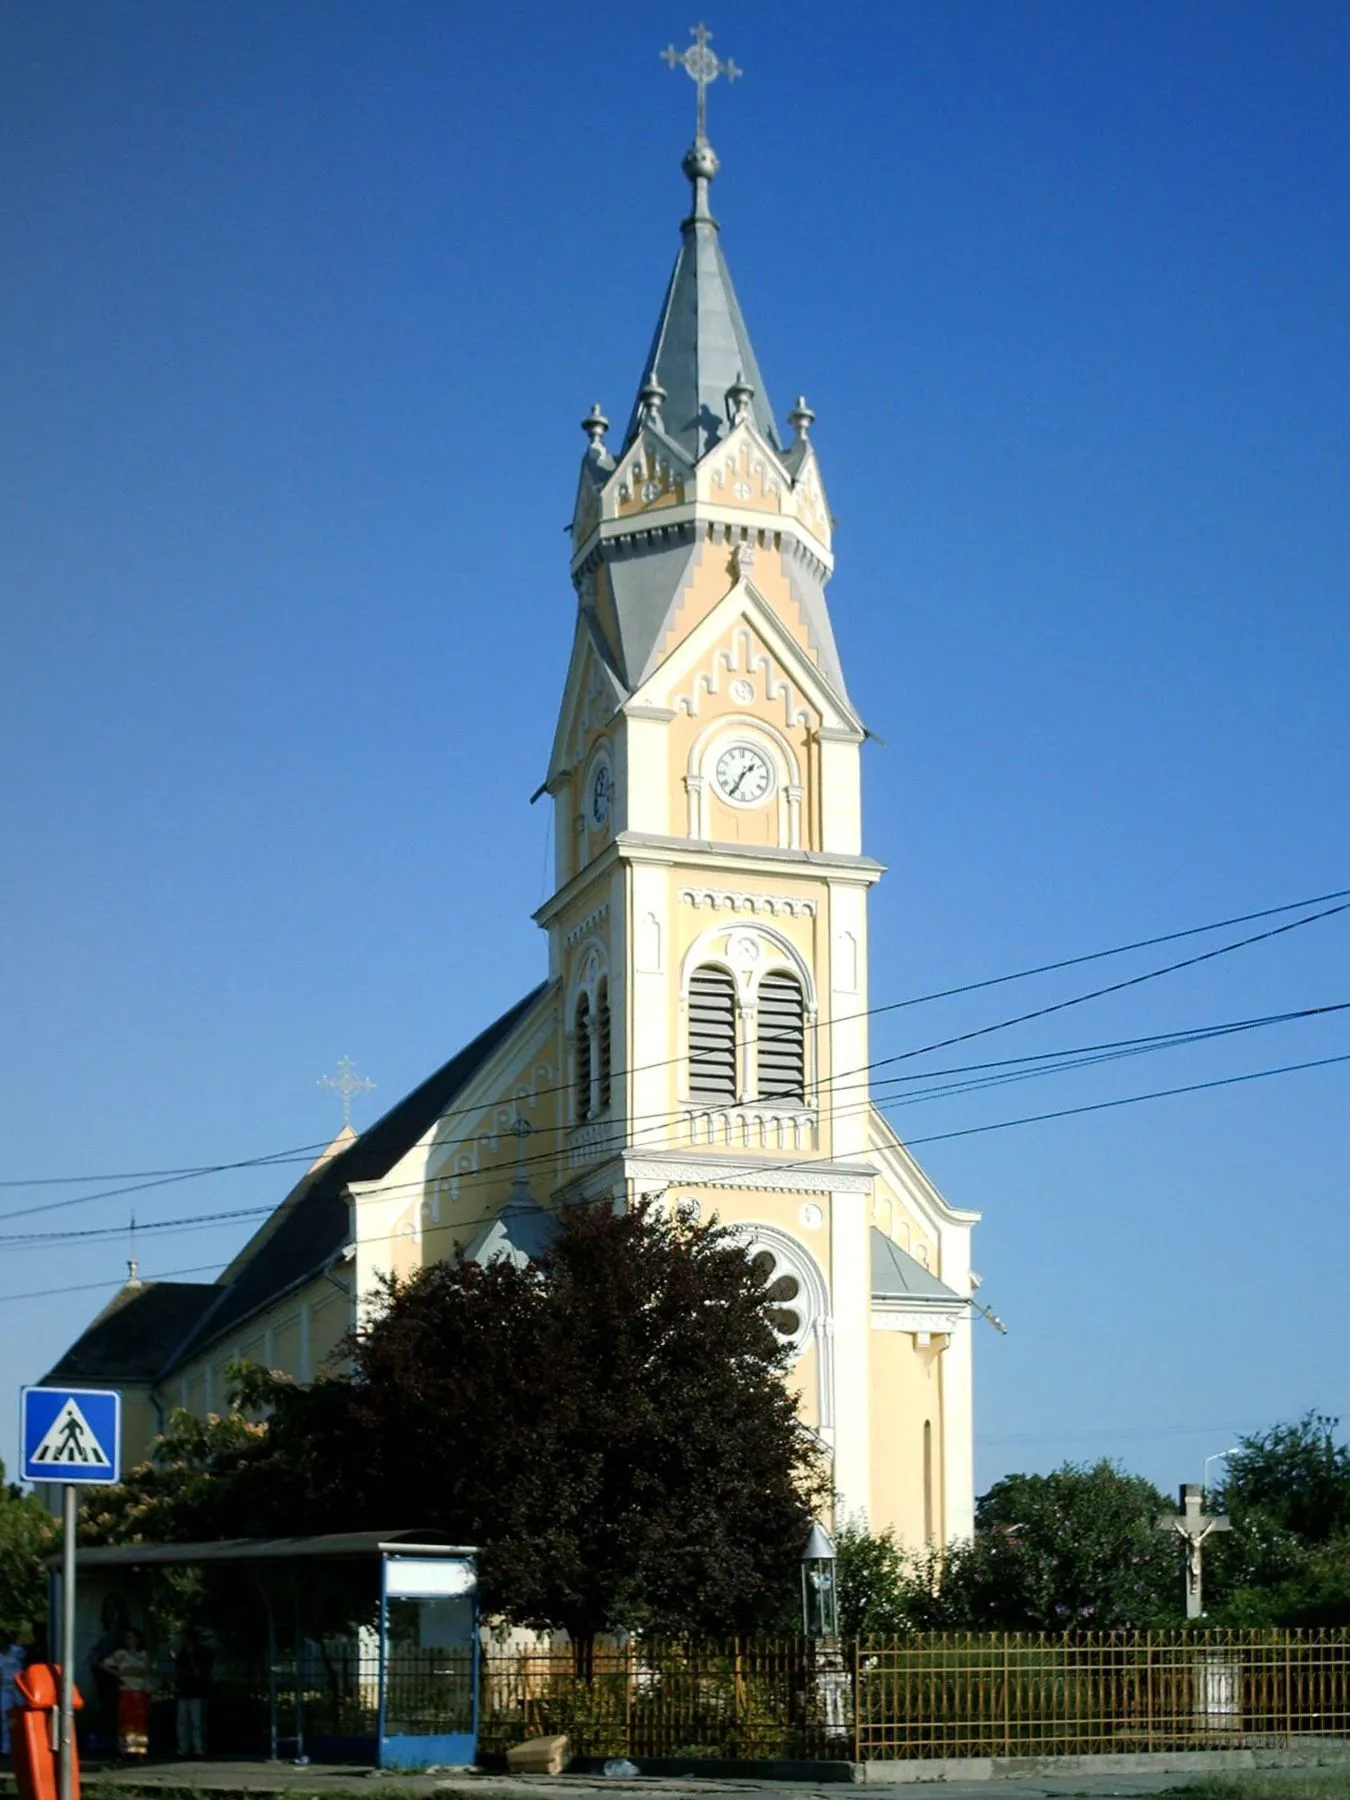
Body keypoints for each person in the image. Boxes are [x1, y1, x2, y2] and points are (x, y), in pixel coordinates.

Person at [100, 1626, 152, 1758]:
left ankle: (139, 1749)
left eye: (132, 1637)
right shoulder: (121, 1654)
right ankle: (126, 1749)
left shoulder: (143, 1655)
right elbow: (104, 1664)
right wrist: (118, 1674)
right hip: (126, 1688)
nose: (130, 1640)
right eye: (128, 1638)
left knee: (139, 1720)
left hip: (140, 1689)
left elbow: (147, 1670)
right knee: (127, 1719)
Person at [173, 1626, 212, 1758]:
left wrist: (193, 1662)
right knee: (183, 1722)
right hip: (184, 1691)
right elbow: (178, 1670)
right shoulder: (182, 1653)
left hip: (198, 1692)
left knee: (197, 1722)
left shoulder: (202, 1652)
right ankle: (183, 1747)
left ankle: (198, 1748)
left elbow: (202, 1672)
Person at [1, 1629, 28, 1758]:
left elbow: (26, 1658)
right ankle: (6, 1747)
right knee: (5, 1715)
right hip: (5, 1688)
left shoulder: (16, 1651)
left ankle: (25, 1743)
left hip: (19, 1687)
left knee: (22, 1714)